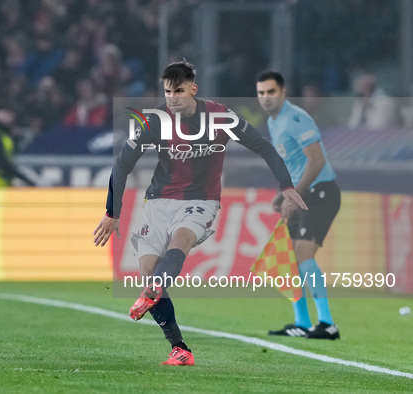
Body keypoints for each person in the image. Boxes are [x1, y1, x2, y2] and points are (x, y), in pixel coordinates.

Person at [93, 61, 307, 366]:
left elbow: (264, 147)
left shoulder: (220, 117)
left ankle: (155, 290)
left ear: (193, 90)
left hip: (201, 200)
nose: (172, 98)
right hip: (157, 202)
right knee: (148, 275)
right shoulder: (154, 120)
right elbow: (122, 164)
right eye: (167, 91)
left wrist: (286, 185)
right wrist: (112, 211)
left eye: (179, 91)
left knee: (180, 240)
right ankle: (179, 348)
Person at [256, 70, 341, 340]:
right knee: (289, 259)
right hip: (302, 192)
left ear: (283, 92)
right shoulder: (274, 121)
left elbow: (315, 162)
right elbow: (293, 162)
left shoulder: (296, 118)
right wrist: (282, 194)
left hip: (321, 193)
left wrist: (294, 195)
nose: (266, 98)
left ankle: (327, 324)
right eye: (261, 93)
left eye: (271, 92)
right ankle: (302, 323)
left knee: (303, 255)